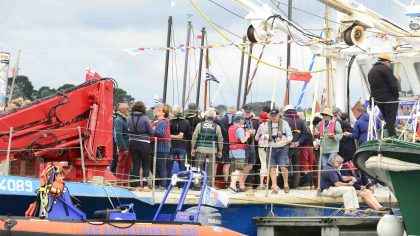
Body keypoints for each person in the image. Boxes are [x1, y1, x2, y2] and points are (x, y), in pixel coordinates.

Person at [368, 53, 399, 137]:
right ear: (386, 61)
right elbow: (393, 84)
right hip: (389, 100)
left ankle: (385, 136)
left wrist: (372, 102)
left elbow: (372, 88)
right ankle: (391, 138)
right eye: (389, 63)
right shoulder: (385, 69)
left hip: (378, 101)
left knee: (387, 120)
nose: (389, 65)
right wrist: (396, 97)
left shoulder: (371, 71)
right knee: (391, 121)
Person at [191, 109, 223, 187]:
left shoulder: (200, 125)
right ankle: (209, 185)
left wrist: (192, 147)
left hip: (201, 149)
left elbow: (194, 136)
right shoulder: (217, 127)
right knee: (210, 170)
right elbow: (220, 139)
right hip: (212, 150)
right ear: (214, 117)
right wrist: (220, 150)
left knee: (198, 167)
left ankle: (197, 185)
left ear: (205, 116)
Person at [126, 101, 154, 190]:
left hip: (132, 142)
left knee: (135, 164)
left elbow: (127, 130)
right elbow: (151, 132)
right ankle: (145, 185)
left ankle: (136, 185)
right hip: (144, 143)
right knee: (146, 165)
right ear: (143, 109)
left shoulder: (128, 118)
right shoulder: (145, 118)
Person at [267, 108, 293, 194]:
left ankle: (286, 184)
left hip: (283, 147)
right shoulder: (267, 124)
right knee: (272, 167)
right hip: (271, 147)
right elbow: (261, 137)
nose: (274, 117)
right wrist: (264, 138)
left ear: (279, 115)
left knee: (283, 166)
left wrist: (287, 140)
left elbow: (290, 135)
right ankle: (274, 187)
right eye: (272, 116)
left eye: (275, 116)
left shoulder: (285, 123)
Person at [283, 105, 307, 189]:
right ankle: (295, 185)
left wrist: (289, 143)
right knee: (296, 166)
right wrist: (298, 142)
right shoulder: (300, 120)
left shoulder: (283, 120)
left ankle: (287, 184)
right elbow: (305, 134)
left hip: (286, 147)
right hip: (297, 147)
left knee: (286, 166)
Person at [228, 114, 251, 193]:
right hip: (239, 151)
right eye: (243, 119)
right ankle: (232, 185)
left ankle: (233, 187)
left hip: (231, 150)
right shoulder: (239, 129)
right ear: (240, 120)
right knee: (239, 169)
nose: (244, 120)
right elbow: (243, 141)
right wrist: (248, 135)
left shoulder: (231, 128)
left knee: (234, 169)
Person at [168, 105, 191, 175]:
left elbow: (167, 134)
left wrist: (173, 136)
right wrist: (180, 136)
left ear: (173, 112)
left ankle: (168, 184)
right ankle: (182, 184)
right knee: (182, 167)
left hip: (171, 146)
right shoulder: (186, 122)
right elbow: (189, 135)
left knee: (169, 166)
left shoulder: (169, 122)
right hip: (182, 146)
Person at [154, 104, 172, 189]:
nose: (158, 111)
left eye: (160, 110)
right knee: (159, 166)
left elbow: (162, 134)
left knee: (161, 166)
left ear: (164, 113)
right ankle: (159, 184)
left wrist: (151, 130)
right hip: (161, 146)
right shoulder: (162, 121)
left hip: (162, 146)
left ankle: (162, 185)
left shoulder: (163, 122)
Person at [297, 112, 316, 190]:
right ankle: (310, 182)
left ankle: (307, 183)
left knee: (304, 163)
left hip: (304, 146)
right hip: (310, 145)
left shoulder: (300, 124)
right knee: (310, 163)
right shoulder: (306, 124)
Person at [241, 104, 258, 188]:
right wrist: (249, 132)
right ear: (242, 110)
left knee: (250, 165)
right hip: (243, 145)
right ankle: (241, 184)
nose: (248, 113)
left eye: (249, 112)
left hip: (250, 144)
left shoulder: (251, 120)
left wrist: (251, 132)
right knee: (243, 165)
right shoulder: (239, 119)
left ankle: (242, 183)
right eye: (246, 112)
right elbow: (237, 130)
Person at [220, 106, 237, 188]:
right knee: (232, 164)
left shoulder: (222, 120)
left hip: (224, 143)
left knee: (226, 164)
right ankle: (232, 182)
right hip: (234, 144)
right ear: (234, 112)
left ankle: (226, 182)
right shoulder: (236, 120)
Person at [114, 103, 131, 186]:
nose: (129, 110)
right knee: (121, 165)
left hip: (127, 146)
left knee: (128, 166)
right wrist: (124, 148)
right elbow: (118, 136)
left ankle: (125, 183)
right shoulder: (119, 120)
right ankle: (119, 182)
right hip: (124, 147)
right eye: (127, 109)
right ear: (122, 110)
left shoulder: (123, 119)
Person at [254, 111, 270, 190]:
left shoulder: (261, 125)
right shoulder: (272, 125)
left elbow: (256, 138)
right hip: (270, 147)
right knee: (271, 165)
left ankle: (261, 184)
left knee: (263, 164)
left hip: (262, 146)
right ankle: (270, 183)